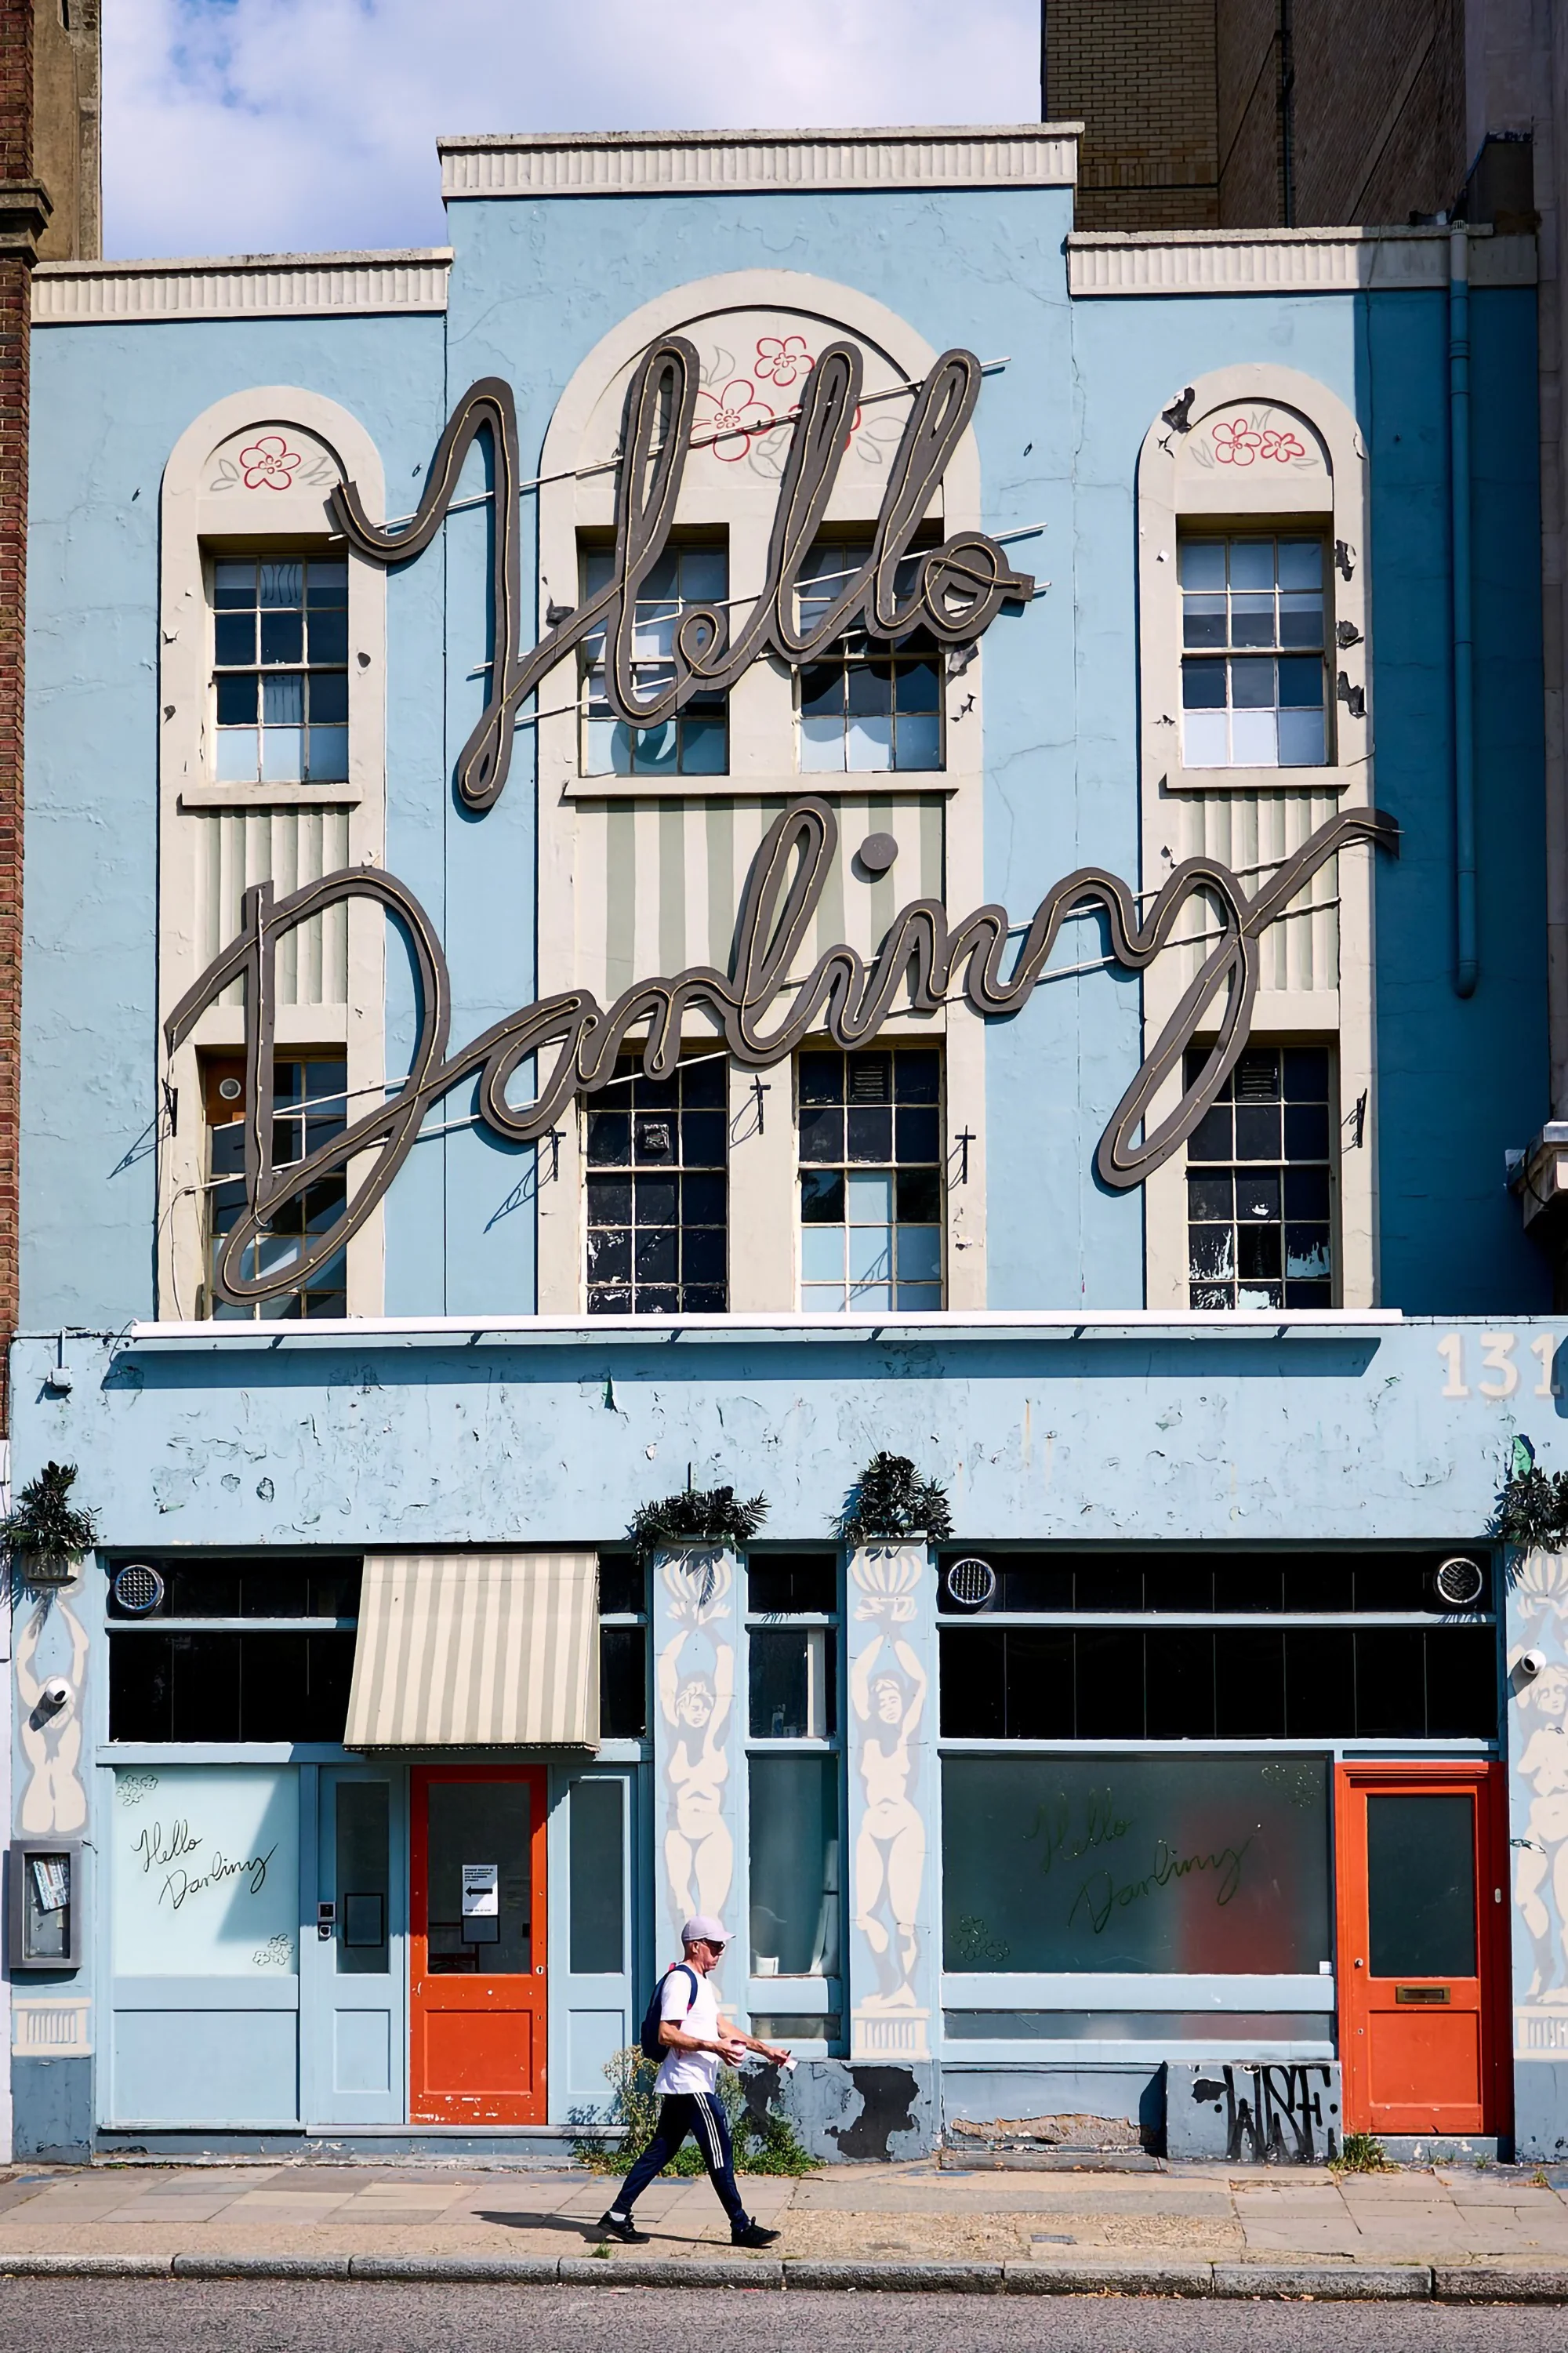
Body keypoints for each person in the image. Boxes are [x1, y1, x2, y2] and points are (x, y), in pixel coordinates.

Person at [598, 1915, 790, 2248]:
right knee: (720, 2156)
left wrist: (765, 2049)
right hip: (691, 2085)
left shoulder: (702, 1984)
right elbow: (667, 2032)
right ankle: (740, 2226)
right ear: (695, 1946)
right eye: (715, 1946)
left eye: (722, 1947)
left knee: (658, 2153)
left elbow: (721, 2027)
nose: (720, 1953)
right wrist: (713, 2047)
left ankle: (617, 2215)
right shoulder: (680, 1981)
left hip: (685, 2085)